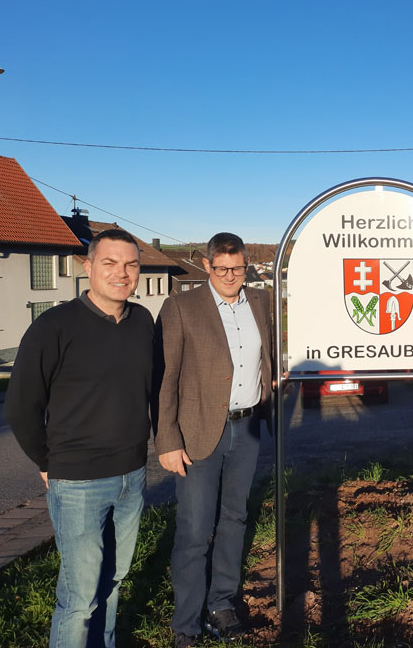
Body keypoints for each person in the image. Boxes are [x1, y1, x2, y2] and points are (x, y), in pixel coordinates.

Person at [5, 230, 153, 647]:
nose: (121, 273)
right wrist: (47, 461)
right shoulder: (54, 326)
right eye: (109, 263)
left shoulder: (142, 321)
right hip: (79, 484)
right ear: (88, 267)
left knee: (114, 580)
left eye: (130, 264)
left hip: (132, 477)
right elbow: (20, 407)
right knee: (79, 597)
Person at [155, 232, 273, 648]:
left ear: (247, 265)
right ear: (207, 265)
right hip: (198, 432)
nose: (229, 276)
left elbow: (268, 355)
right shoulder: (181, 307)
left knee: (235, 519)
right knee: (194, 528)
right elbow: (165, 378)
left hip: (248, 428)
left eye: (237, 268)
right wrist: (167, 440)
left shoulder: (261, 302)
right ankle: (186, 625)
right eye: (221, 268)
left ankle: (221, 603)